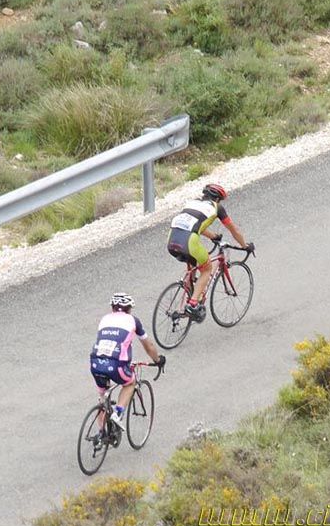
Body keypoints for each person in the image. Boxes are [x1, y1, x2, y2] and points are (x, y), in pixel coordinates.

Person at [166, 183, 254, 322]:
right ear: (218, 199)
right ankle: (193, 303)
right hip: (189, 241)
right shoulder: (217, 207)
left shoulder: (192, 203)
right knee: (207, 269)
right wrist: (245, 246)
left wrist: (213, 236)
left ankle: (186, 297)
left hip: (172, 239)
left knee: (192, 263)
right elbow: (233, 230)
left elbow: (196, 225)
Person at [90, 293, 164, 440]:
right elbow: (148, 346)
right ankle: (117, 413)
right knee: (130, 383)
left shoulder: (105, 319)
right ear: (129, 309)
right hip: (116, 364)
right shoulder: (133, 321)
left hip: (95, 362)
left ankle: (101, 434)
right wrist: (157, 360)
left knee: (103, 397)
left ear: (112, 307)